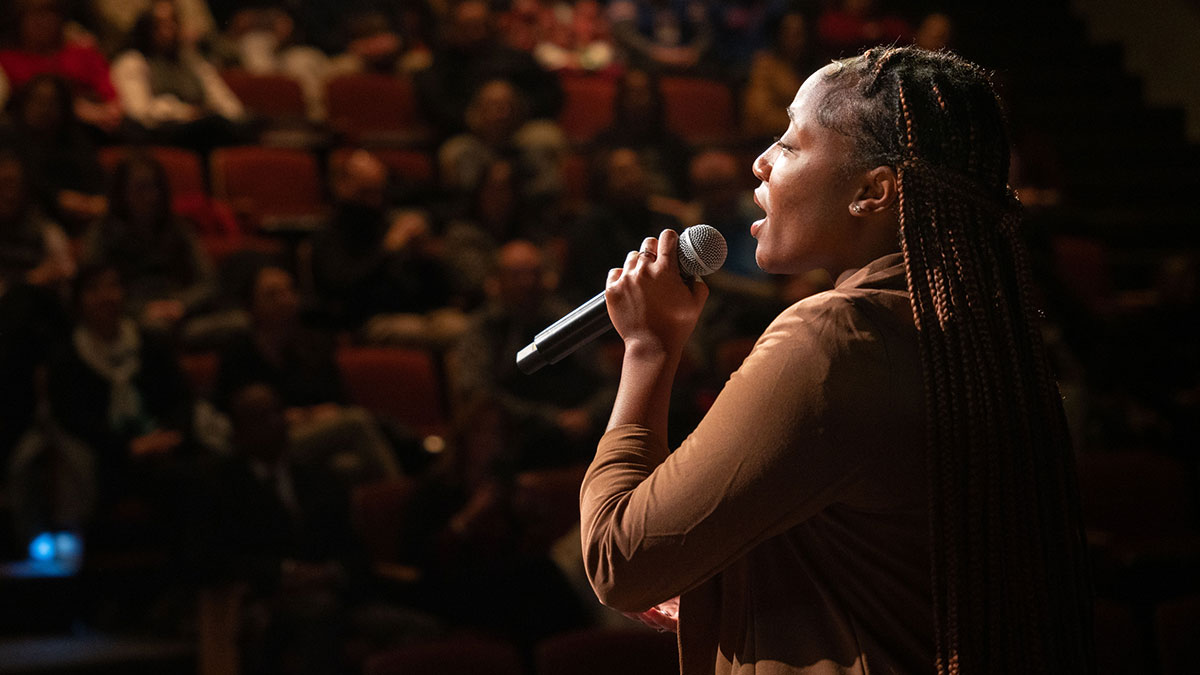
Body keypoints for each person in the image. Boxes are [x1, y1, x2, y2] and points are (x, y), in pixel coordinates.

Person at [580, 46, 1092, 674]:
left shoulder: (833, 338)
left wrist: (649, 348)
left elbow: (619, 561)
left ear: (872, 191)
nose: (761, 162)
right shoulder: (972, 334)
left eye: (792, 145)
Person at [109, 0, 250, 151]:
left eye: (172, 23)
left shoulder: (190, 60)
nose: (168, 31)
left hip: (205, 126)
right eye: (160, 25)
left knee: (245, 125)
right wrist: (185, 112)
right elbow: (140, 112)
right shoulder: (132, 61)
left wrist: (236, 119)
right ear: (145, 28)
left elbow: (223, 99)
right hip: (165, 133)